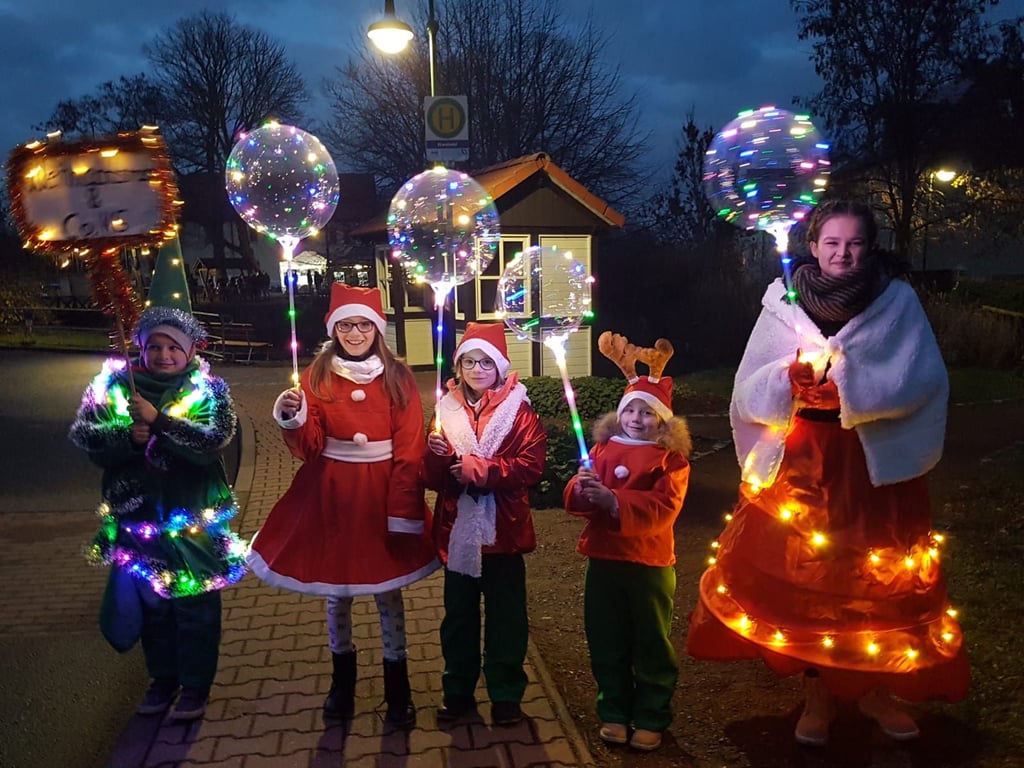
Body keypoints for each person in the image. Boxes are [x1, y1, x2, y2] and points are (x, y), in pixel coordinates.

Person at [685, 199, 969, 747]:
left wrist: (855, 390)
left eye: (855, 243)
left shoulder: (897, 302)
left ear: (870, 247)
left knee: (872, 579)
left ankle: (874, 688)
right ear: (813, 246)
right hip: (802, 465)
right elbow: (747, 386)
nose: (843, 253)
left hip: (870, 466)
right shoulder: (782, 303)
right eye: (832, 243)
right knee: (811, 580)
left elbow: (922, 379)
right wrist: (785, 379)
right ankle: (818, 690)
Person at [247, 283, 439, 727]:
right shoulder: (316, 374)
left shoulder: (399, 377)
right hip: (330, 493)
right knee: (338, 594)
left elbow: (409, 448)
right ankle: (342, 683)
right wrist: (293, 417)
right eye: (347, 325)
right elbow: (310, 446)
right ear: (335, 328)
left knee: (387, 591)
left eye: (364, 324)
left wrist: (403, 509)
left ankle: (398, 689)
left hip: (379, 495)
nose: (355, 333)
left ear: (377, 328)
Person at [69, 305, 246, 721]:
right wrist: (128, 438)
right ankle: (162, 678)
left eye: (174, 347)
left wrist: (160, 422)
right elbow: (89, 438)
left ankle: (196, 685)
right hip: (140, 519)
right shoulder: (115, 387)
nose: (164, 355)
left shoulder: (209, 390)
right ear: (140, 348)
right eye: (155, 346)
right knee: (153, 606)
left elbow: (211, 443)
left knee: (195, 607)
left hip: (192, 523)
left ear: (189, 351)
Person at [564, 331, 692, 752]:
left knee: (650, 641)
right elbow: (579, 498)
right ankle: (614, 711)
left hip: (649, 564)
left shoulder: (671, 460)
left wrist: (614, 500)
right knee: (606, 637)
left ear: (663, 420)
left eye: (647, 412)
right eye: (630, 409)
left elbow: (663, 508)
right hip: (604, 559)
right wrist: (583, 490)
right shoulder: (602, 450)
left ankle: (652, 713)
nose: (637, 418)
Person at [423, 322, 546, 727]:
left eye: (486, 362)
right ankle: (457, 689)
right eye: (469, 361)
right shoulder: (445, 409)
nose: (477, 369)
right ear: (458, 366)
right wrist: (438, 456)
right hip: (457, 529)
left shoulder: (521, 412)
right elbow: (435, 478)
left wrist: (483, 470)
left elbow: (531, 466)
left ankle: (506, 693)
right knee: (457, 615)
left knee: (506, 615)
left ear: (499, 366)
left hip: (504, 532)